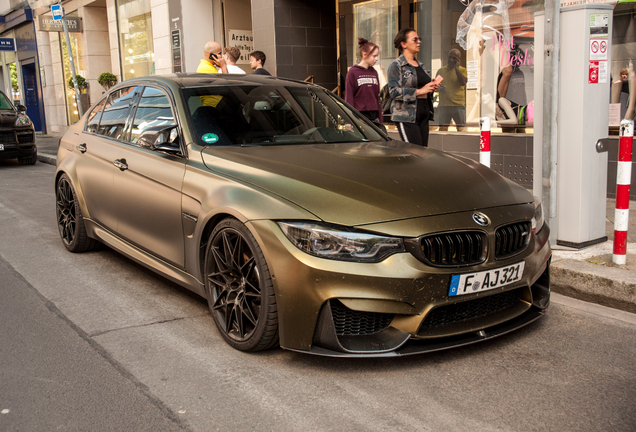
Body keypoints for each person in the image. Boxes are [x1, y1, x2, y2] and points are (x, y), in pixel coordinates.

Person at [387, 28, 440, 146]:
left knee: (422, 153)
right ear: (403, 44)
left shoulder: (421, 65)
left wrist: (431, 87)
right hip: (406, 116)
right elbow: (394, 92)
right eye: (415, 39)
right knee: (414, 153)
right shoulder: (396, 65)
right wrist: (421, 91)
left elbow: (423, 88)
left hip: (424, 112)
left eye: (419, 39)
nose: (419, 42)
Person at [345, 37, 383, 126]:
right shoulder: (353, 72)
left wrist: (381, 120)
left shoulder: (374, 72)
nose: (377, 59)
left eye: (377, 56)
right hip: (360, 115)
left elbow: (377, 97)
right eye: (374, 56)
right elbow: (349, 97)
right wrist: (348, 121)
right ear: (365, 54)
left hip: (374, 115)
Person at [435, 48, 467, 131]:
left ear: (458, 60)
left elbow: (463, 82)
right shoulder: (441, 71)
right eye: (450, 57)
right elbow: (434, 86)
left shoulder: (462, 70)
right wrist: (439, 88)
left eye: (454, 58)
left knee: (461, 130)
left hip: (458, 106)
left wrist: (456, 69)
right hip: (444, 105)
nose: (451, 60)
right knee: (442, 130)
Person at [496, 45, 527, 124]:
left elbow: (522, 90)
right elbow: (500, 93)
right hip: (507, 103)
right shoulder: (505, 73)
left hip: (518, 105)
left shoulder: (520, 73)